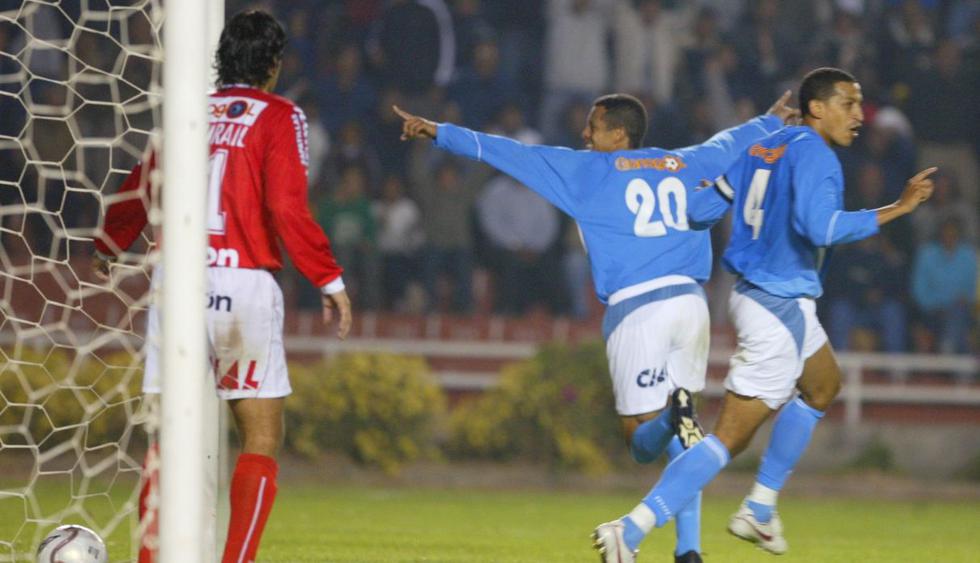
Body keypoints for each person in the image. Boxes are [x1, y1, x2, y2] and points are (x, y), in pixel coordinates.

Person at [396, 90, 799, 563]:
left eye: (594, 125)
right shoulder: (686, 162)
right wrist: (768, 121)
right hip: (691, 305)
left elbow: (508, 151)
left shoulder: (586, 171)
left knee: (642, 443)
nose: (584, 133)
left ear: (619, 134)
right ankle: (689, 552)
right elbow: (734, 141)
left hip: (638, 308)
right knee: (685, 444)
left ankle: (673, 415)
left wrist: (438, 132)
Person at [591, 67, 935, 560]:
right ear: (816, 107)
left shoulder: (764, 145)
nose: (859, 115)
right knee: (729, 437)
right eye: (848, 103)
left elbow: (702, 208)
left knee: (823, 384)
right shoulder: (818, 155)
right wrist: (898, 209)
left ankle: (762, 507)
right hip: (779, 303)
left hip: (761, 293)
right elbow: (824, 228)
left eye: (860, 105)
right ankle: (633, 528)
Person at [92, 11, 352, 563]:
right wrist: (327, 275)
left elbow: (144, 183)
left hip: (178, 280)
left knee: (168, 443)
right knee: (258, 437)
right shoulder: (281, 115)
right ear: (274, 67)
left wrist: (110, 245)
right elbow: (285, 205)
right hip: (241, 283)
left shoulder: (188, 111)